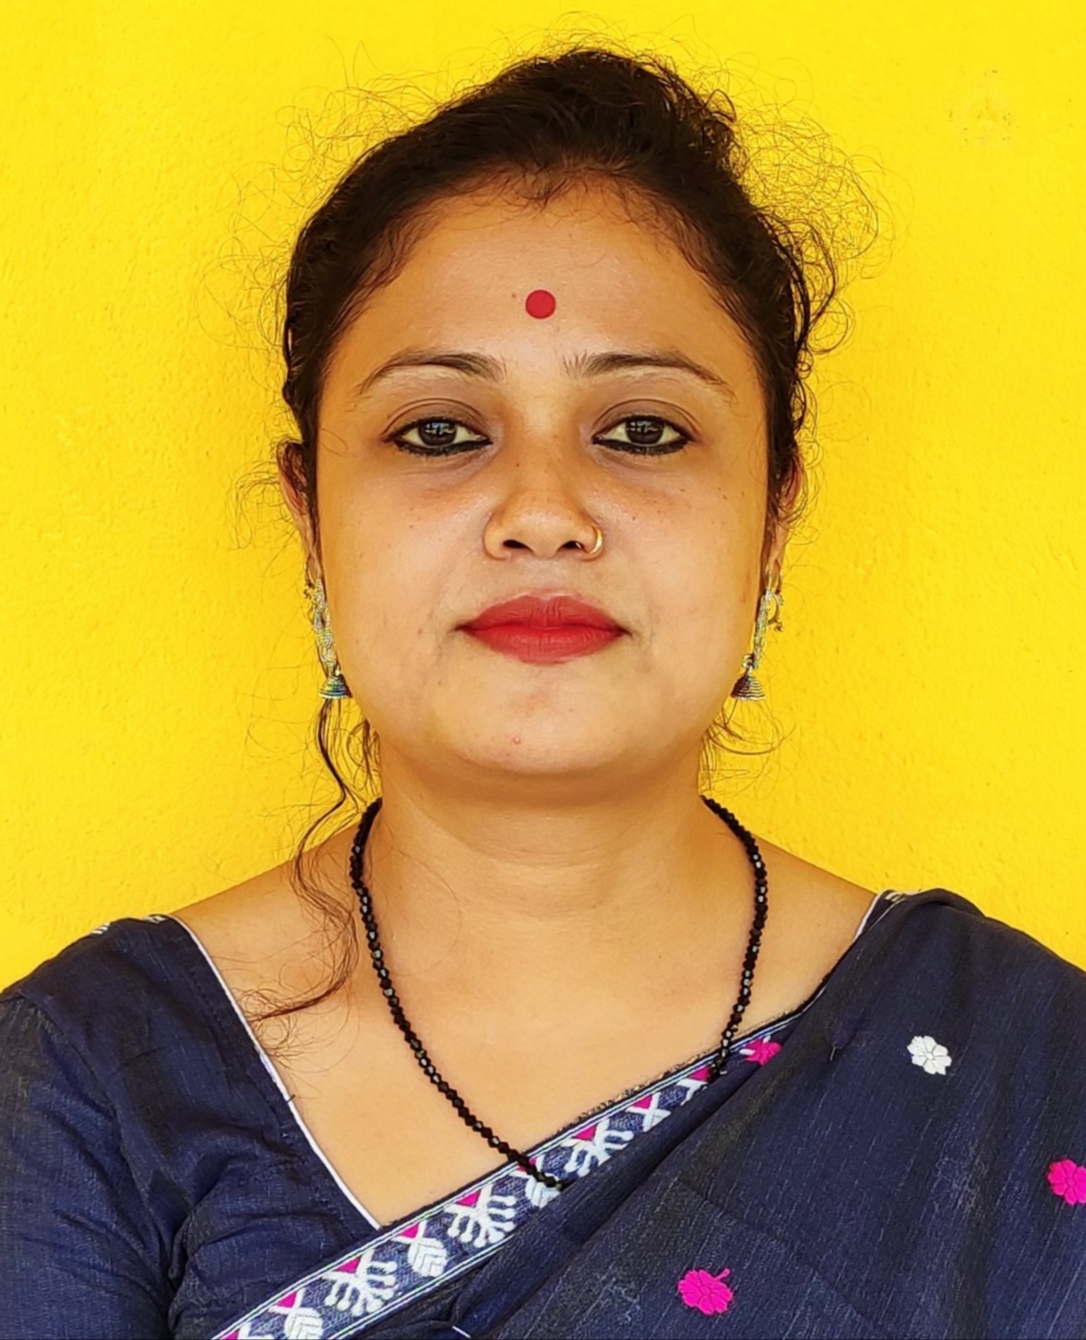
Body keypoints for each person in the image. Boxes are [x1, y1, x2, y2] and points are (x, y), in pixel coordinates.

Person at [2, 45, 1084, 1340]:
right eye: (439, 432)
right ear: (311, 525)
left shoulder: (1028, 1072)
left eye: (642, 431)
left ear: (774, 519)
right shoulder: (90, 1083)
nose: (542, 511)